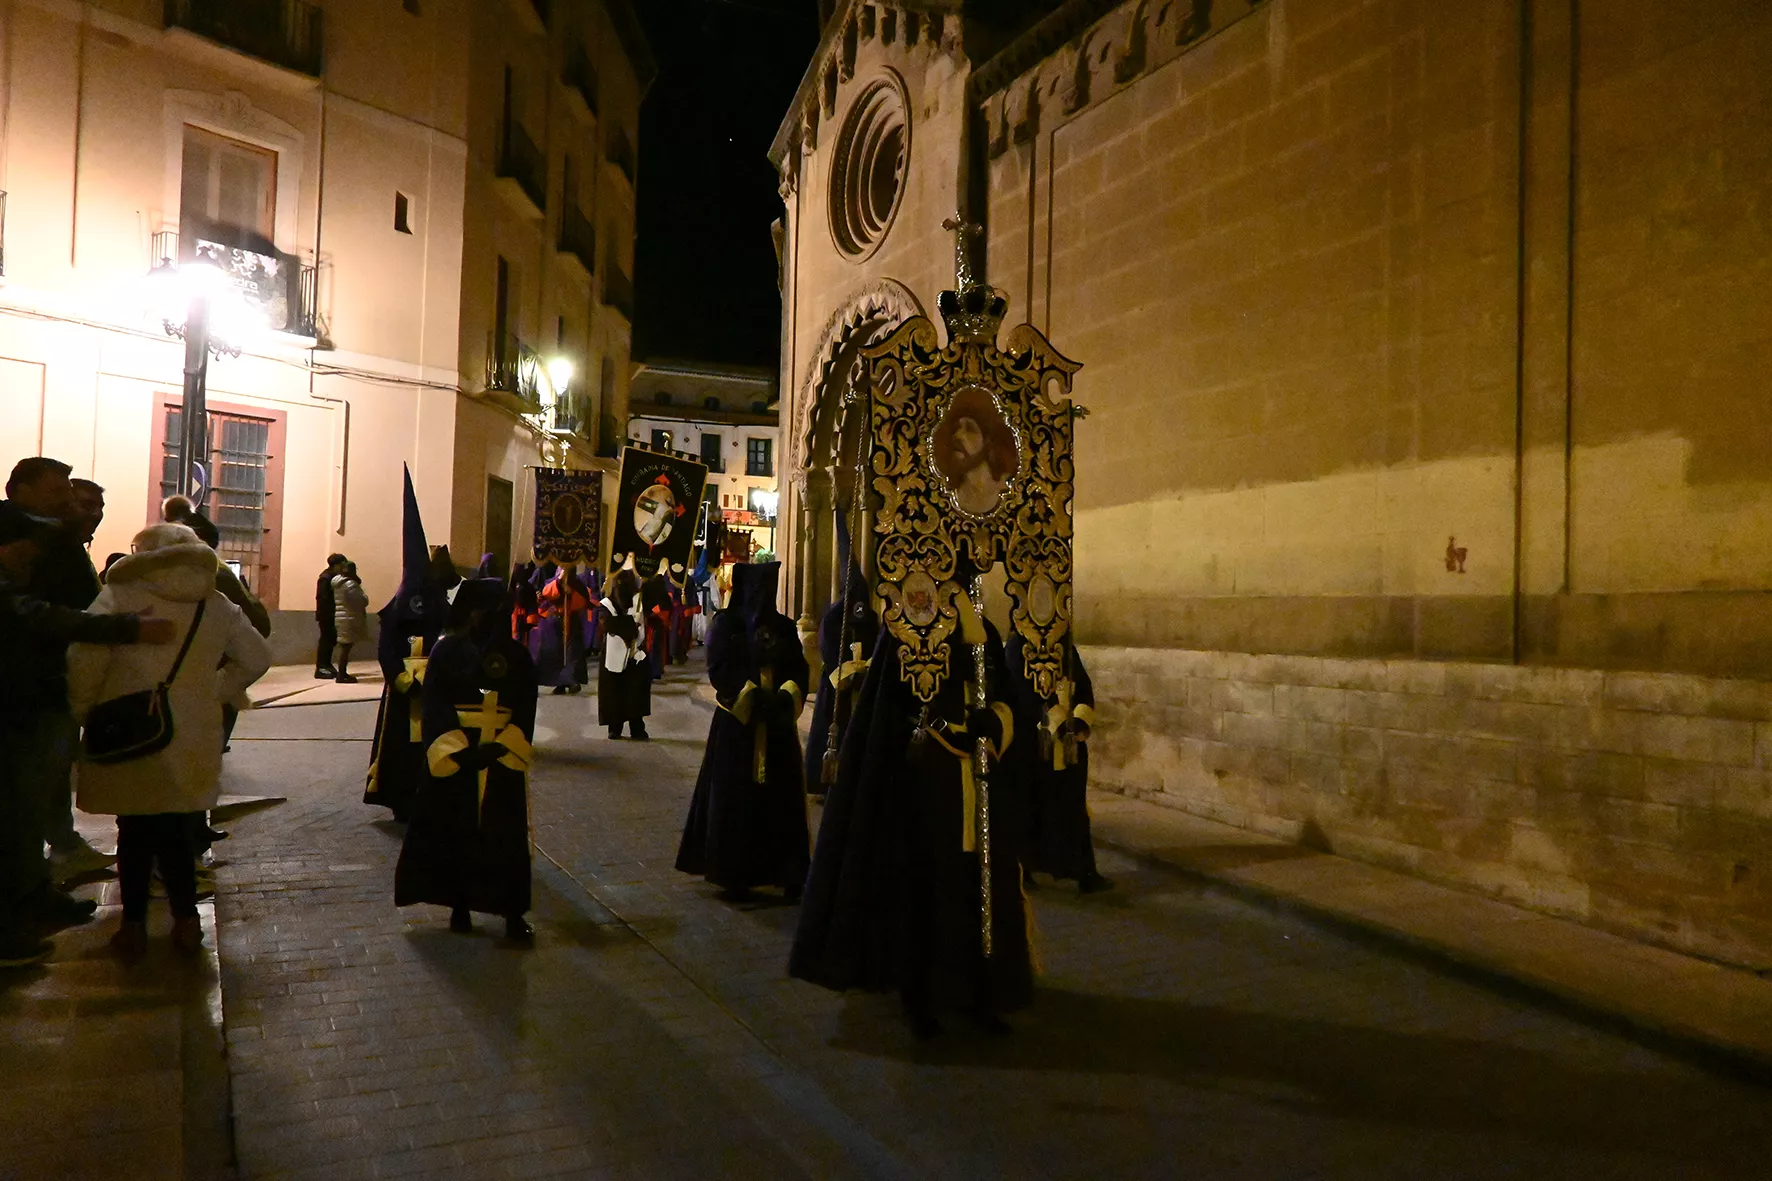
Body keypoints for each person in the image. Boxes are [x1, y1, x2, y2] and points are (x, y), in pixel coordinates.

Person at [790, 581, 1033, 1039]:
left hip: (978, 785)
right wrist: (940, 735)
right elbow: (891, 711)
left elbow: (1005, 696)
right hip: (927, 788)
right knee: (927, 891)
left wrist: (993, 725)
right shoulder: (906, 624)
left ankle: (981, 992)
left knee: (979, 889)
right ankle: (920, 996)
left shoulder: (985, 631)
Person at [66, 522, 271, 958]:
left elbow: (85, 656)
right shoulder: (215, 603)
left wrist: (84, 708)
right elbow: (257, 656)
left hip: (130, 726)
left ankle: (134, 925)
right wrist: (212, 691)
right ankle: (186, 923)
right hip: (192, 731)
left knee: (135, 829)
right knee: (179, 827)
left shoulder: (121, 595)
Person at [0, 505, 176, 965]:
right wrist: (130, 627)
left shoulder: (20, 581)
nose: (33, 554)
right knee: (15, 820)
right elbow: (40, 618)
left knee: (27, 815)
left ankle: (32, 898)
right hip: (17, 710)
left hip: (28, 705)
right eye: (26, 544)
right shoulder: (10, 591)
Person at [394, 577, 536, 943]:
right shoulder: (446, 652)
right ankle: (459, 904)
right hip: (460, 756)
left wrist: (505, 744)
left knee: (504, 838)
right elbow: (436, 704)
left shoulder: (517, 656)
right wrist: (458, 750)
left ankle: (511, 911)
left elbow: (524, 706)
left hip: (500, 757)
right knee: (454, 832)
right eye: (482, 610)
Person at [675, 562, 811, 902]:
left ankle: (787, 871)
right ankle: (735, 873)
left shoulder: (784, 627)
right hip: (738, 727)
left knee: (782, 801)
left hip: (776, 726)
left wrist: (785, 696)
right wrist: (751, 697)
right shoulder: (728, 624)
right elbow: (720, 667)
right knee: (736, 799)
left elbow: (798, 666)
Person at [366, 471, 459, 822]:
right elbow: (387, 646)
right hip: (403, 695)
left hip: (432, 688)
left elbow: (451, 635)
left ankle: (429, 794)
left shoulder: (439, 604)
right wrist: (402, 679)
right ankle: (398, 795)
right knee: (400, 747)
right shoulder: (399, 607)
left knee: (429, 742)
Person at [1006, 634, 1111, 894]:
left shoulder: (1065, 646)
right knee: (1030, 805)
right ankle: (1025, 867)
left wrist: (1081, 718)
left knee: (1073, 805)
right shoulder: (1017, 645)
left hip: (1069, 744)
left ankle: (1082, 869)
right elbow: (1022, 691)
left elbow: (1083, 685)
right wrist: (1056, 720)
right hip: (1034, 743)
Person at [804, 563, 879, 796]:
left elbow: (876, 642)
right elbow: (828, 648)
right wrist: (846, 670)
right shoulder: (834, 616)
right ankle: (827, 782)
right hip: (837, 686)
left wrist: (866, 666)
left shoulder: (870, 615)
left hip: (861, 684)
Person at [932, 387, 1019, 516]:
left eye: (969, 429)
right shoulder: (955, 493)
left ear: (988, 442)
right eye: (956, 428)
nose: (957, 435)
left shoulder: (1004, 488)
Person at [596, 564, 651, 740]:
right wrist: (630, 625)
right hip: (613, 654)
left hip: (635, 653)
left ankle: (637, 727)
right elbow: (608, 625)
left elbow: (640, 625)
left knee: (635, 692)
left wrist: (633, 626)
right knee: (613, 693)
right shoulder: (606, 604)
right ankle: (615, 727)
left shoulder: (637, 602)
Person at [532, 561, 589, 695]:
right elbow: (547, 594)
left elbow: (582, 601)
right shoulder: (550, 581)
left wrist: (570, 593)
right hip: (554, 622)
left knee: (571, 653)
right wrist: (559, 583)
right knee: (554, 653)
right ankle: (559, 682)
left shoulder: (578, 584)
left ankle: (572, 680)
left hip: (571, 621)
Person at [331, 561, 369, 682]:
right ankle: (342, 674)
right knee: (345, 648)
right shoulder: (350, 585)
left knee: (343, 647)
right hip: (348, 618)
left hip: (341, 616)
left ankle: (341, 673)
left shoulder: (337, 583)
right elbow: (362, 600)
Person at [314, 553, 346, 678]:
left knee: (330, 639)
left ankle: (326, 665)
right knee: (326, 640)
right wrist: (327, 614)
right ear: (336, 565)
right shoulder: (326, 578)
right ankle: (321, 667)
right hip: (326, 614)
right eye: (342, 565)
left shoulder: (332, 577)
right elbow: (323, 598)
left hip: (330, 613)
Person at [641, 568, 672, 679]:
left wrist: (649, 613)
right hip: (657, 619)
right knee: (656, 646)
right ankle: (655, 669)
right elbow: (667, 603)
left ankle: (651, 669)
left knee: (650, 645)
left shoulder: (645, 585)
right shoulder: (659, 584)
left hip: (650, 618)